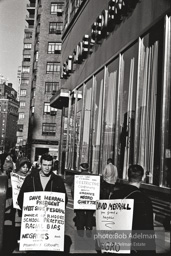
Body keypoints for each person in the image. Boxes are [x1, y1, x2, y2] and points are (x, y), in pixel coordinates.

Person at [110, 164, 156, 254]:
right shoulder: (145, 200)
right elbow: (147, 229)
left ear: (128, 177)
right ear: (142, 178)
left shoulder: (115, 195)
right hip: (135, 246)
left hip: (117, 243)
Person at [72, 163, 95, 237]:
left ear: (81, 168)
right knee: (89, 214)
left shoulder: (78, 177)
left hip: (80, 199)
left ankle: (80, 230)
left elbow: (73, 189)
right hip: (90, 199)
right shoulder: (93, 178)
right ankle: (88, 228)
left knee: (80, 214)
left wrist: (75, 199)